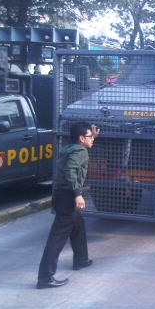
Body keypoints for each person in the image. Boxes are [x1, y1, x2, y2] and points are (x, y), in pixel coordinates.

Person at [37, 121, 100, 289]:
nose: (92, 139)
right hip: (68, 195)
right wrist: (78, 195)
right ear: (81, 138)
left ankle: (80, 260)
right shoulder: (80, 152)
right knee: (57, 238)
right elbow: (71, 170)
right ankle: (45, 277)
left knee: (78, 224)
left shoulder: (70, 148)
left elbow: (73, 160)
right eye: (89, 137)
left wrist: (92, 135)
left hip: (61, 194)